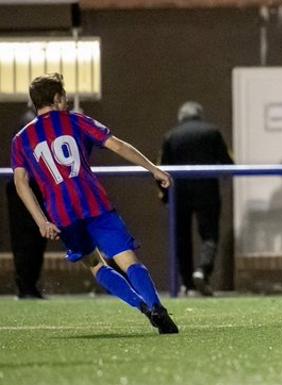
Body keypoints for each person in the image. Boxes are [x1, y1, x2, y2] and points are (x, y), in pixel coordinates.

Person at [11, 73, 178, 334]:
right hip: (94, 203)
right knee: (128, 260)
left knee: (96, 265)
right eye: (63, 96)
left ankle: (142, 307)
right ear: (57, 98)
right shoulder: (75, 121)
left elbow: (21, 183)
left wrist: (41, 220)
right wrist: (152, 168)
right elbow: (117, 146)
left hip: (62, 214)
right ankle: (156, 306)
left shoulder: (20, 139)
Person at [159, 101, 234, 296]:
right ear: (199, 115)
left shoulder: (171, 136)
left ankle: (187, 284)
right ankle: (202, 270)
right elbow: (227, 163)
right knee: (209, 234)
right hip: (207, 190)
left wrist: (165, 195)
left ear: (181, 117)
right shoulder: (212, 132)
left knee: (181, 238)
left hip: (179, 193)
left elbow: (161, 169)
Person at [7, 107, 47, 299]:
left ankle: (28, 286)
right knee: (27, 240)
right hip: (28, 188)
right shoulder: (32, 126)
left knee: (35, 239)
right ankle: (26, 286)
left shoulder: (34, 124)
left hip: (34, 187)